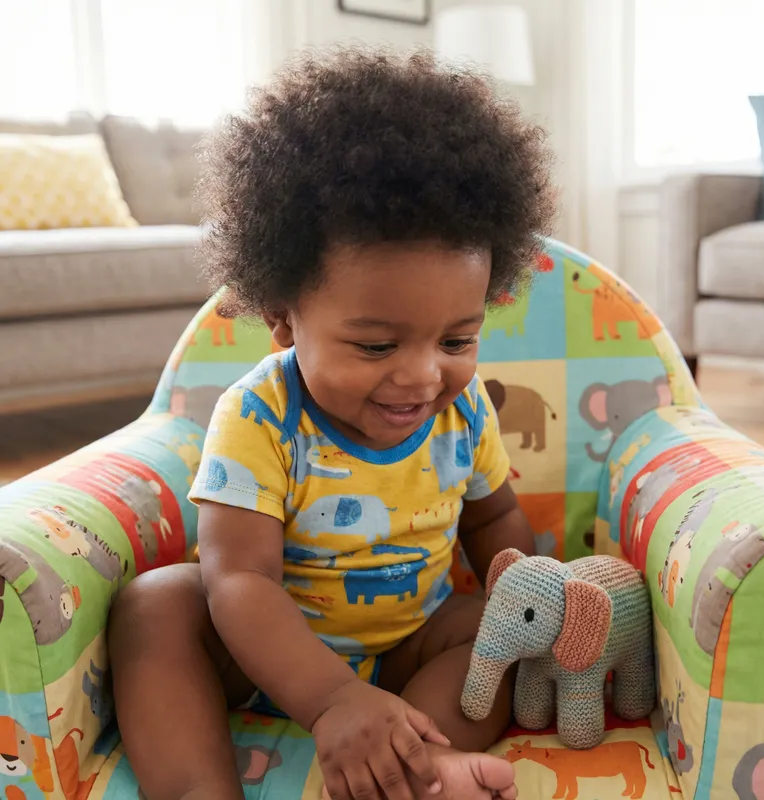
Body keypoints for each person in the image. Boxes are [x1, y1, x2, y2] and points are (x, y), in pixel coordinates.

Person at [108, 47, 555, 800]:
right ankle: (198, 788)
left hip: (408, 649)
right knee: (156, 607)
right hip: (260, 655)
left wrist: (529, 592)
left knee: (494, 632)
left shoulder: (464, 409)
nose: (422, 376)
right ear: (285, 320)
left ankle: (421, 763)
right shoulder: (259, 416)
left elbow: (493, 517)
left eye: (456, 340)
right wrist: (331, 698)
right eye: (376, 346)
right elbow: (240, 578)